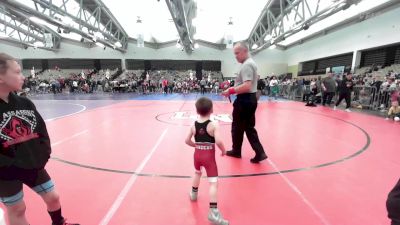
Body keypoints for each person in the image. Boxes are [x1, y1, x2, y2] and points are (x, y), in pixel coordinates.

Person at [0, 53, 79, 225]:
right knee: (17, 209)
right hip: (5, 173)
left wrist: (43, 154)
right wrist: (10, 164)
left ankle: (58, 222)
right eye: (18, 72)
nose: (23, 76)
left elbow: (41, 131)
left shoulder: (25, 103)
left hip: (32, 165)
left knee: (53, 197)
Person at [185, 97, 229, 225]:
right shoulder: (213, 124)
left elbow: (186, 141)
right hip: (209, 157)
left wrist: (196, 145)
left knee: (197, 173)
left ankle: (193, 194)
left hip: (197, 155)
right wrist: (224, 150)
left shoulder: (193, 125)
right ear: (211, 110)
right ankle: (213, 213)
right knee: (213, 183)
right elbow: (219, 141)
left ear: (197, 111)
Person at [222, 42, 268, 163]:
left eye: (237, 53)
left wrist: (230, 90)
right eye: (234, 54)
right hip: (250, 99)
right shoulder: (250, 63)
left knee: (237, 127)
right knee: (248, 127)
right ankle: (259, 152)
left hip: (245, 99)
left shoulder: (247, 65)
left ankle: (237, 150)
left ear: (245, 51)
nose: (235, 56)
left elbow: (247, 86)